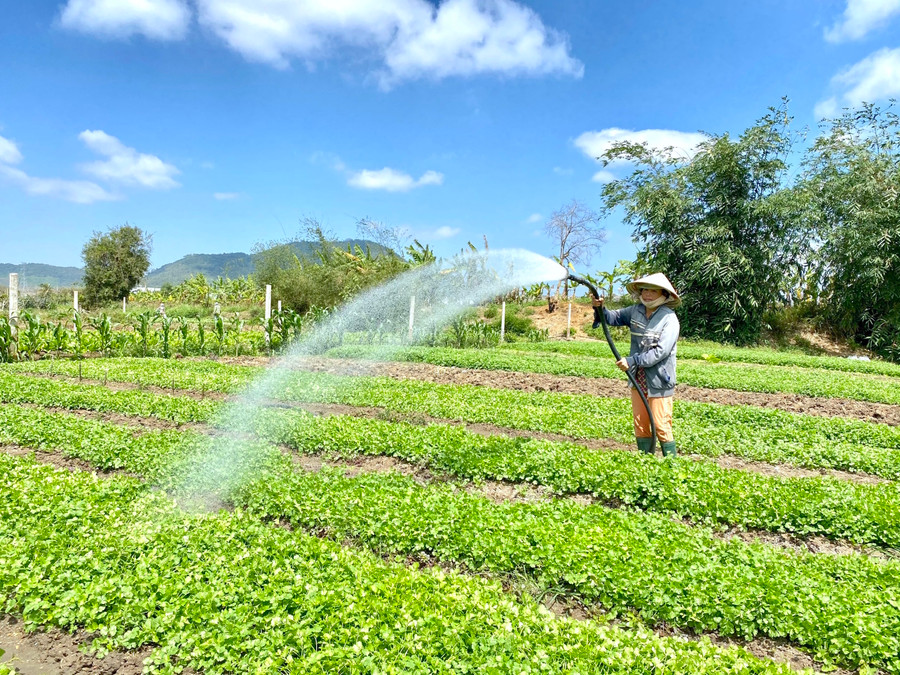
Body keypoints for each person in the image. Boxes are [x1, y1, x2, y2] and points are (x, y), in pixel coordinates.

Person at [592, 273, 681, 457]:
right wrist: (600, 308)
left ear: (663, 294)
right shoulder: (635, 311)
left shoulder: (669, 318)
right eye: (645, 290)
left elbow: (661, 352)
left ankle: (671, 466)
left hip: (659, 379)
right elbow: (612, 317)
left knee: (660, 423)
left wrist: (632, 360)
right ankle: (645, 462)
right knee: (640, 423)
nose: (647, 294)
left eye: (653, 291)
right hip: (637, 377)